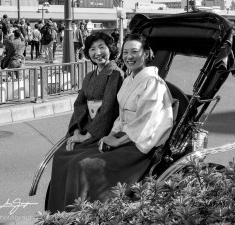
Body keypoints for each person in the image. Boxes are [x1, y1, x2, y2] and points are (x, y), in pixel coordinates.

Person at [46, 33, 174, 213]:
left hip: (138, 144)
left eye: (135, 52)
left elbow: (147, 122)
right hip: (121, 135)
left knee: (81, 165)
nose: (129, 56)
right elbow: (119, 116)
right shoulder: (129, 80)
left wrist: (117, 139)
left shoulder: (152, 82)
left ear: (145, 54)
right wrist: (110, 134)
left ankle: (83, 215)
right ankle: (57, 213)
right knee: (62, 156)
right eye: (126, 52)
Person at [47, 32, 124, 213]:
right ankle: (57, 210)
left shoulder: (115, 74)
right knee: (60, 155)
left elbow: (107, 109)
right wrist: (75, 131)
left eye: (102, 47)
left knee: (76, 163)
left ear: (110, 49)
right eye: (92, 49)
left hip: (102, 130)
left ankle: (77, 212)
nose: (98, 52)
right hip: (85, 127)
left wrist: (87, 136)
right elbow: (80, 105)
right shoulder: (89, 76)